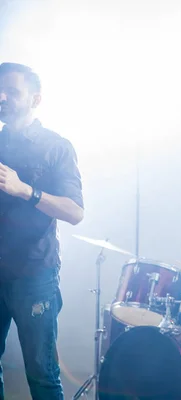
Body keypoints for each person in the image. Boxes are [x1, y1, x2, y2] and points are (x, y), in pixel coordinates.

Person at [0, 62, 84, 400]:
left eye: (12, 92)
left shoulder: (56, 147)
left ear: (35, 99)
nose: (2, 97)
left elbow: (75, 212)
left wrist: (26, 191)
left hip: (33, 273)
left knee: (42, 373)